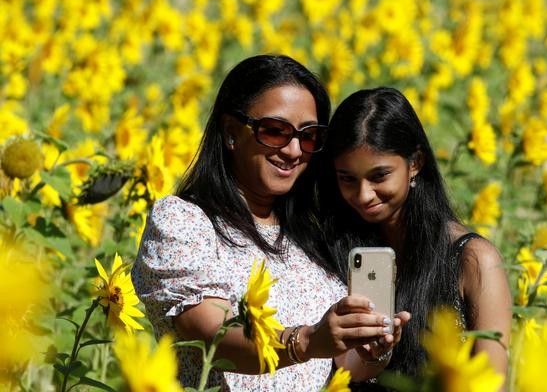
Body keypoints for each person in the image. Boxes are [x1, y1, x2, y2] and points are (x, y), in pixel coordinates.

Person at [132, 56, 409, 391]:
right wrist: (306, 341)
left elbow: (340, 363)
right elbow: (211, 336)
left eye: (308, 137)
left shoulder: (311, 233)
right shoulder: (184, 221)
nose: (293, 150)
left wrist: (370, 351)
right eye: (275, 131)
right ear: (231, 132)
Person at [317, 87, 512, 386]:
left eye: (379, 176)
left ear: (415, 163)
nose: (363, 194)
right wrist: (373, 354)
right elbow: (345, 367)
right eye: (348, 179)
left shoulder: (472, 259)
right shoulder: (334, 247)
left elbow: (491, 381)